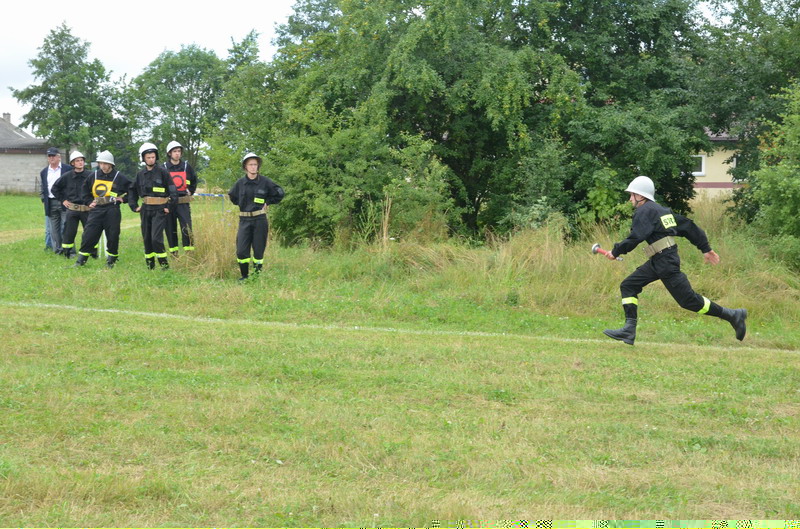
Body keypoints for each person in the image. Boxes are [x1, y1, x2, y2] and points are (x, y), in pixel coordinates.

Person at [603, 175, 747, 345]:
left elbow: (636, 236)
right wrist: (705, 248)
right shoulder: (662, 211)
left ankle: (732, 315)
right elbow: (688, 226)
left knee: (689, 301)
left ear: (640, 195)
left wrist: (615, 251)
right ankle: (629, 329)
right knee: (629, 285)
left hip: (665, 262)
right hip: (659, 260)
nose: (630, 199)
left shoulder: (645, 211)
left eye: (632, 195)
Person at [228, 153, 284, 280]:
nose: (253, 167)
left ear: (258, 166)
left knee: (258, 250)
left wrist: (268, 202)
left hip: (260, 220)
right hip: (244, 220)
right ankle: (244, 276)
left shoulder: (265, 182)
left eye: (255, 164)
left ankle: (256, 276)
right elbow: (233, 196)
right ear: (245, 167)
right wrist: (242, 205)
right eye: (250, 165)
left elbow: (279, 193)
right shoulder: (240, 183)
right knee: (241, 250)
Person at [74, 151, 131, 268]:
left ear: (111, 164)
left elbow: (133, 189)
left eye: (105, 164)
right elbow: (84, 190)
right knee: (89, 234)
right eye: (100, 163)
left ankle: (111, 260)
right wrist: (89, 202)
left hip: (112, 210)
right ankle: (81, 261)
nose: (103, 166)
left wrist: (124, 199)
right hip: (96, 210)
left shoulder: (119, 177)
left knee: (113, 235)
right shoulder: (93, 176)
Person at [128, 142, 177, 270]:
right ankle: (150, 265)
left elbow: (173, 191)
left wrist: (169, 206)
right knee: (147, 238)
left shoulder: (163, 172)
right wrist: (134, 206)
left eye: (153, 157)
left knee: (156, 238)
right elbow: (132, 190)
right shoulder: (140, 174)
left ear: (156, 157)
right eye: (148, 157)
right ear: (143, 158)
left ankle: (164, 265)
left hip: (160, 210)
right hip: (145, 209)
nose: (151, 159)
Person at [51, 151, 91, 259]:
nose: (80, 162)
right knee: (69, 233)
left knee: (89, 232)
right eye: (77, 161)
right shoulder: (66, 176)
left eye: (82, 160)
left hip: (87, 209)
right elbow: (54, 188)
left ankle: (91, 253)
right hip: (72, 210)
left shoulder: (90, 175)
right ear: (72, 163)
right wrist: (63, 200)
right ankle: (67, 253)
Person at [163, 140, 197, 255]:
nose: (177, 153)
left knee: (186, 227)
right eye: (174, 151)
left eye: (179, 151)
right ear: (169, 153)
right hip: (169, 203)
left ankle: (189, 252)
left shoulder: (187, 167)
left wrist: (191, 190)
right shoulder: (164, 167)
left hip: (183, 203)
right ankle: (174, 253)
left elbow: (194, 180)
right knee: (170, 228)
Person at [39, 147, 71, 254]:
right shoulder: (44, 172)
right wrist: (44, 199)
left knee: (66, 226)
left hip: (65, 202)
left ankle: (69, 250)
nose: (51, 158)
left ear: (59, 157)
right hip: (50, 202)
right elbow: (43, 187)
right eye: (49, 156)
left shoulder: (67, 169)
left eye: (53, 155)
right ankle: (58, 250)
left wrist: (69, 199)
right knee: (54, 230)